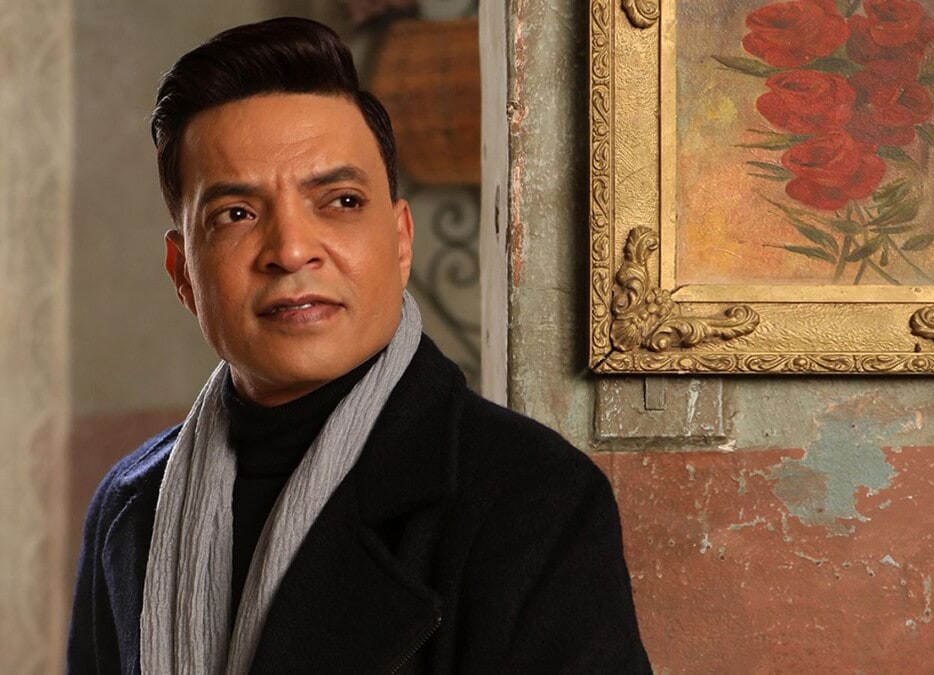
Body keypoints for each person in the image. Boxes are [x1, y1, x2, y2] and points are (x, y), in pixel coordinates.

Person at [66, 17, 651, 674]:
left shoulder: (532, 499)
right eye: (236, 214)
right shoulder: (129, 508)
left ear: (400, 241)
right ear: (182, 274)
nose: (291, 250)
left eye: (340, 201)